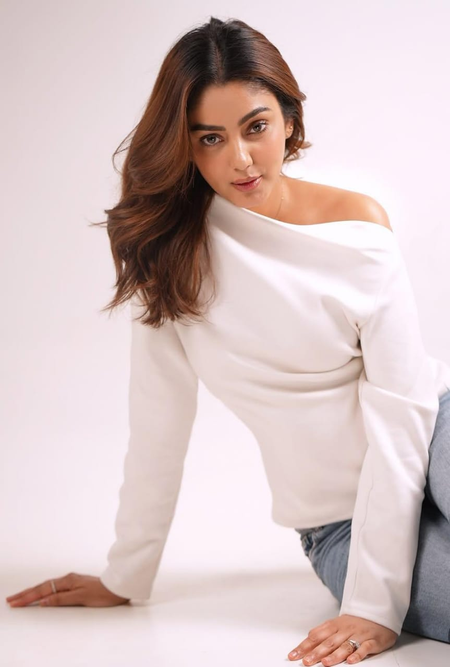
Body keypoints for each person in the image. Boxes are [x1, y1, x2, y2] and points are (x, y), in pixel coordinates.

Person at [6, 15, 450, 665]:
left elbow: (402, 411)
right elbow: (158, 426)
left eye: (255, 127)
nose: (240, 159)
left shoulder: (358, 225)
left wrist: (375, 603)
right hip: (340, 522)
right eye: (210, 138)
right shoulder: (170, 257)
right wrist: (126, 575)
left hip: (435, 434)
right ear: (185, 146)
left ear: (289, 121)